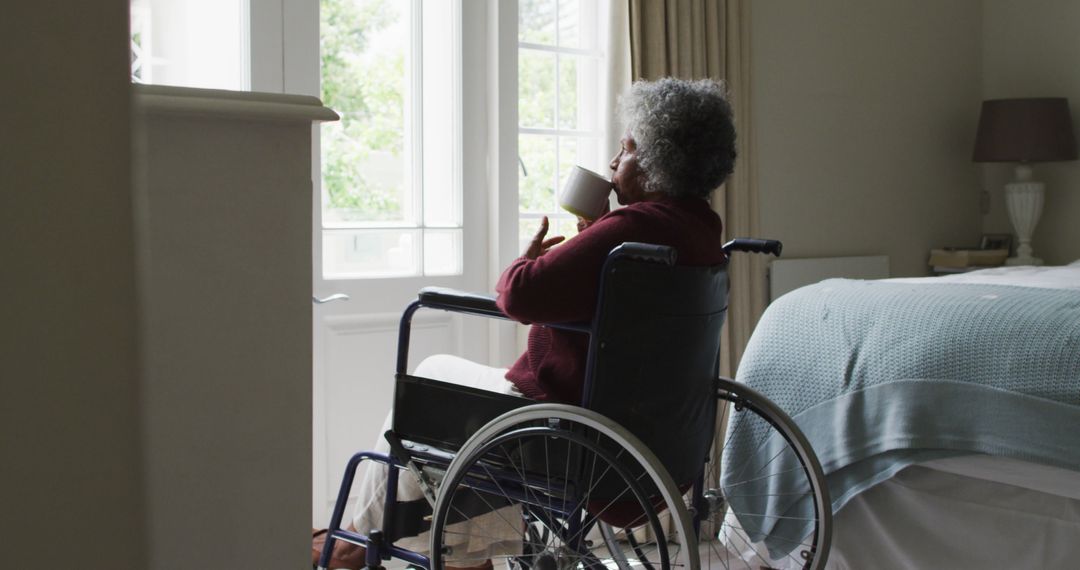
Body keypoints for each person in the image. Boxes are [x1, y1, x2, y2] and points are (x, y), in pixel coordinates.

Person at [313, 77, 736, 569]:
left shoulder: (631, 227)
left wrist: (525, 259)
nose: (614, 164)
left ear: (657, 163)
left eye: (625, 150)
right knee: (454, 411)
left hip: (566, 423)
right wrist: (594, 233)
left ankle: (351, 543)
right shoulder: (701, 231)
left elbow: (519, 295)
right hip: (652, 436)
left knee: (427, 378)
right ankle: (458, 553)